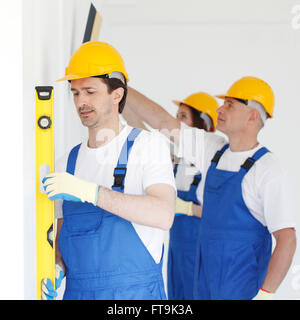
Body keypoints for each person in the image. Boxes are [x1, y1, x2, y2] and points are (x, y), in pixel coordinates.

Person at [123, 76, 297, 300]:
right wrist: (118, 86)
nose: (219, 109)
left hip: (242, 289)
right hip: (203, 281)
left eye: (230, 104)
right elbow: (162, 121)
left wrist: (265, 294)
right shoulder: (213, 151)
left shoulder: (268, 170)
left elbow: (287, 239)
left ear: (253, 116)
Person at [40, 41, 176, 300]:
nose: (81, 102)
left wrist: (90, 192)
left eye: (90, 91)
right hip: (79, 293)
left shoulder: (147, 146)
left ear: (117, 94)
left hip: (135, 296)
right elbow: (63, 237)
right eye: (76, 93)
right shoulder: (66, 163)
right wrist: (57, 266)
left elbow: (163, 215)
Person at [124, 91, 219, 300]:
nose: (176, 122)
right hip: (178, 246)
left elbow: (222, 211)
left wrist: (186, 208)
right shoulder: (178, 159)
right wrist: (119, 99)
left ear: (203, 122)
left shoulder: (213, 160)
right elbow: (143, 132)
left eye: (183, 116)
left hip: (198, 248)